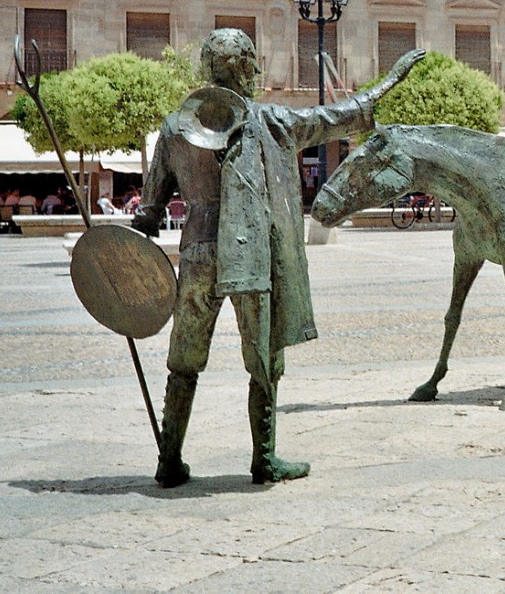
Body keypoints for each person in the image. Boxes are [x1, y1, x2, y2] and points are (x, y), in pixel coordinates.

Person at [134, 28, 425, 487]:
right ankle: (263, 459)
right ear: (247, 67)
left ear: (206, 69)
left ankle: (169, 460)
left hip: (198, 253)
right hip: (249, 256)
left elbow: (149, 210)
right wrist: (390, 81)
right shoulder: (269, 121)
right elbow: (337, 116)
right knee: (264, 358)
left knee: (184, 360)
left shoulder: (174, 129)